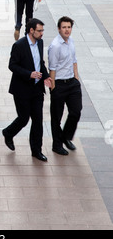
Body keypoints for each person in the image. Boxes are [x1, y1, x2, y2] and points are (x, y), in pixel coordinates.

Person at [2, 18, 52, 161]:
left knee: (37, 120)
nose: (42, 33)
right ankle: (8, 133)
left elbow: (40, 63)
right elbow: (12, 65)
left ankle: (36, 151)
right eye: (39, 31)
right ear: (31, 31)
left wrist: (46, 76)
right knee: (24, 118)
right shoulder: (19, 45)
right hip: (22, 89)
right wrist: (29, 74)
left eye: (42, 30)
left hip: (37, 89)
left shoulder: (40, 43)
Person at [48, 16, 82, 156]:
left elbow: (74, 60)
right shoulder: (55, 46)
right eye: (64, 27)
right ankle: (57, 145)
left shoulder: (71, 41)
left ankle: (66, 137)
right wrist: (53, 88)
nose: (67, 30)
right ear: (58, 29)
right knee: (57, 116)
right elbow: (52, 68)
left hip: (72, 83)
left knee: (76, 112)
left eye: (69, 27)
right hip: (59, 84)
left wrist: (76, 77)